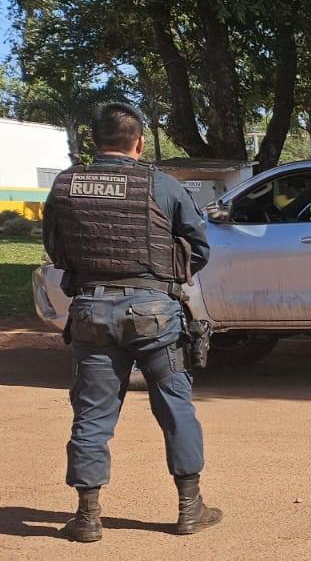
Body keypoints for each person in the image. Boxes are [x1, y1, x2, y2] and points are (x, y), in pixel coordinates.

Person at [41, 103, 223, 542]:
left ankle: (87, 517)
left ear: (93, 141)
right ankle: (189, 507)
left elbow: (56, 249)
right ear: (139, 142)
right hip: (154, 313)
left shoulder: (65, 186)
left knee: (92, 414)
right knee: (175, 408)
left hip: (90, 310)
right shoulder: (161, 185)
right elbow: (198, 248)